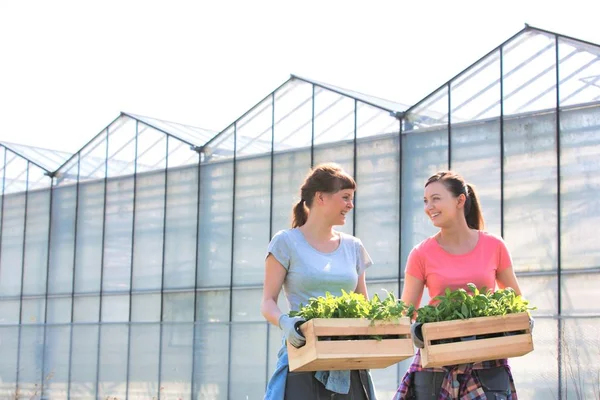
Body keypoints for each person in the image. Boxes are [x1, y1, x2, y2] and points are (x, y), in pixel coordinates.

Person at [394, 171, 525, 400]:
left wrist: (520, 322)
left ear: (460, 200)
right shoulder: (421, 253)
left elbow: (514, 299)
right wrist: (416, 330)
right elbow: (407, 310)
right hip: (437, 360)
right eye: (425, 201)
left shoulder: (494, 246)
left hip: (488, 359)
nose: (429, 206)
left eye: (436, 198)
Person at [261, 162, 377, 400]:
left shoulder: (353, 246)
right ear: (321, 197)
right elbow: (267, 302)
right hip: (303, 356)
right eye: (345, 197)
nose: (350, 205)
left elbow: (363, 304)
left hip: (348, 358)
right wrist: (285, 322)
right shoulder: (286, 242)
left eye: (351, 198)